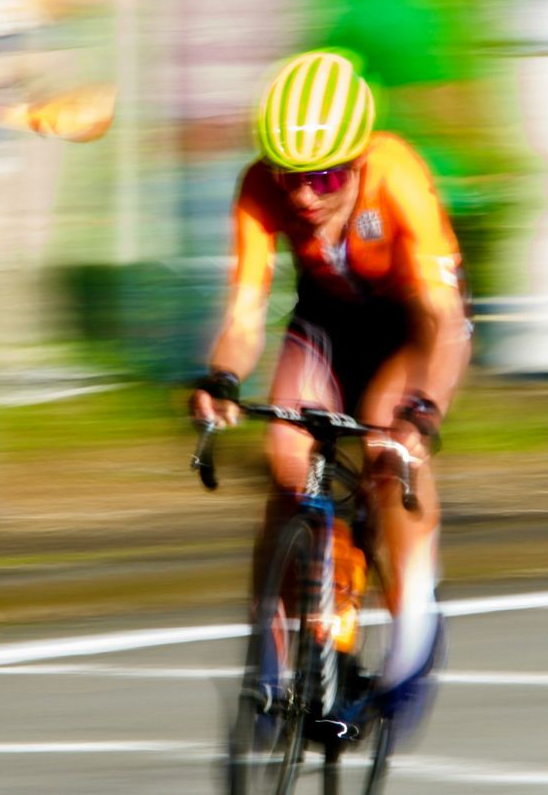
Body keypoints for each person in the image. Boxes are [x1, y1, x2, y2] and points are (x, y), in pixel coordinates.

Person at [189, 49, 470, 733]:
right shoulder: (259, 187)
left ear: (360, 159)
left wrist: (422, 414)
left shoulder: (397, 174)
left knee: (385, 439)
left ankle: (415, 627)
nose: (307, 198)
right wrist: (221, 379)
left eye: (328, 177)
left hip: (413, 323)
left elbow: (445, 321)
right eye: (292, 179)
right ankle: (277, 657)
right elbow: (244, 318)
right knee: (285, 456)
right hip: (329, 320)